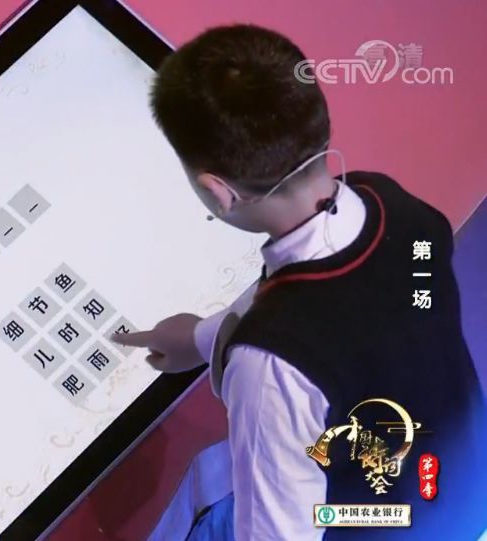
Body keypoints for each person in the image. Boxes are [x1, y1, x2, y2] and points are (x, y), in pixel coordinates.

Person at [112, 24, 487, 540]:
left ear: (218, 192)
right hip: (459, 486)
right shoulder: (394, 205)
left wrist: (244, 351)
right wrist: (201, 338)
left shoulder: (267, 370)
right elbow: (333, 307)